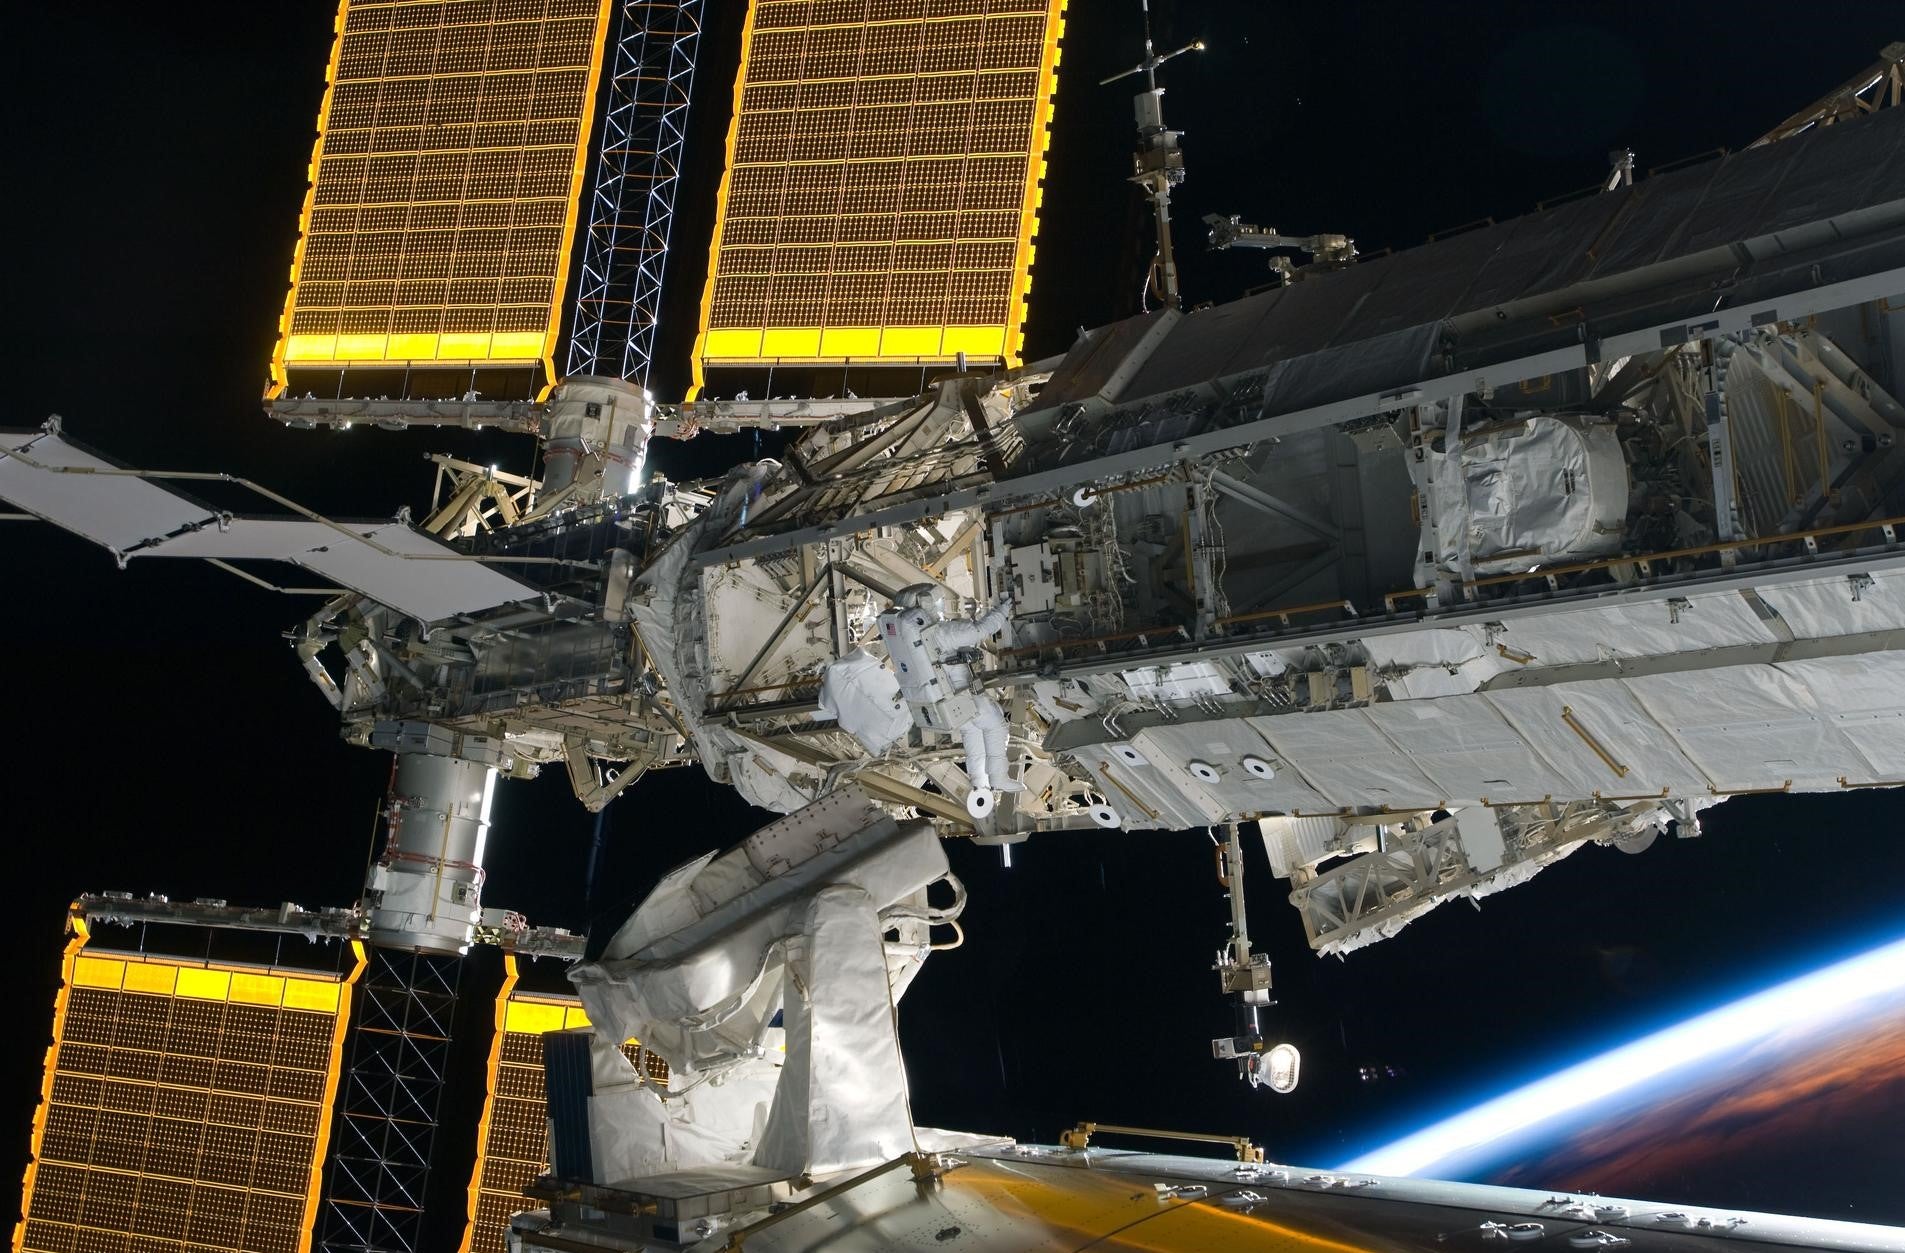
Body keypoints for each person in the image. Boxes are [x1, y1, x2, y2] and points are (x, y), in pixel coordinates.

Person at [877, 584, 1018, 815]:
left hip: (945, 703)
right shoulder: (941, 633)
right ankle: (999, 777)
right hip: (963, 694)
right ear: (925, 605)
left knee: (972, 733)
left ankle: (980, 785)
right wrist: (1003, 610)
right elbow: (980, 631)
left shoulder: (905, 636)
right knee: (996, 726)